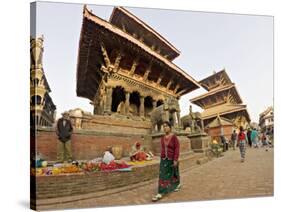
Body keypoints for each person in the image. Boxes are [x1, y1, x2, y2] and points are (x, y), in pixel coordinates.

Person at [152, 121, 180, 202]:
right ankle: (161, 192)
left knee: (175, 172)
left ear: (170, 127)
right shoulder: (162, 138)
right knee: (163, 175)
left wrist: (175, 159)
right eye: (163, 126)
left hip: (172, 158)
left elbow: (177, 148)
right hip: (164, 159)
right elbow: (163, 148)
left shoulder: (174, 137)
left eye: (166, 126)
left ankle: (177, 184)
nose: (165, 128)